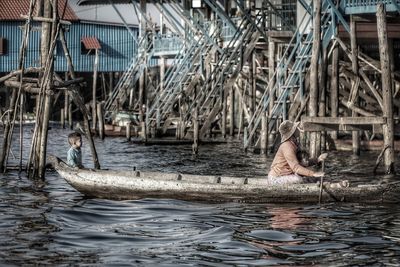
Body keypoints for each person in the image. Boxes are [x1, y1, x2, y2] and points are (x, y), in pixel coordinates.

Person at [267, 120, 327, 186]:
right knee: (298, 179)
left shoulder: (294, 144)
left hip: (288, 175)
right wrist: (313, 173)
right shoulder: (287, 146)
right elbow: (296, 167)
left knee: (317, 178)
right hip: (276, 178)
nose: (298, 129)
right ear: (293, 132)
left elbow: (303, 162)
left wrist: (317, 159)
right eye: (296, 128)